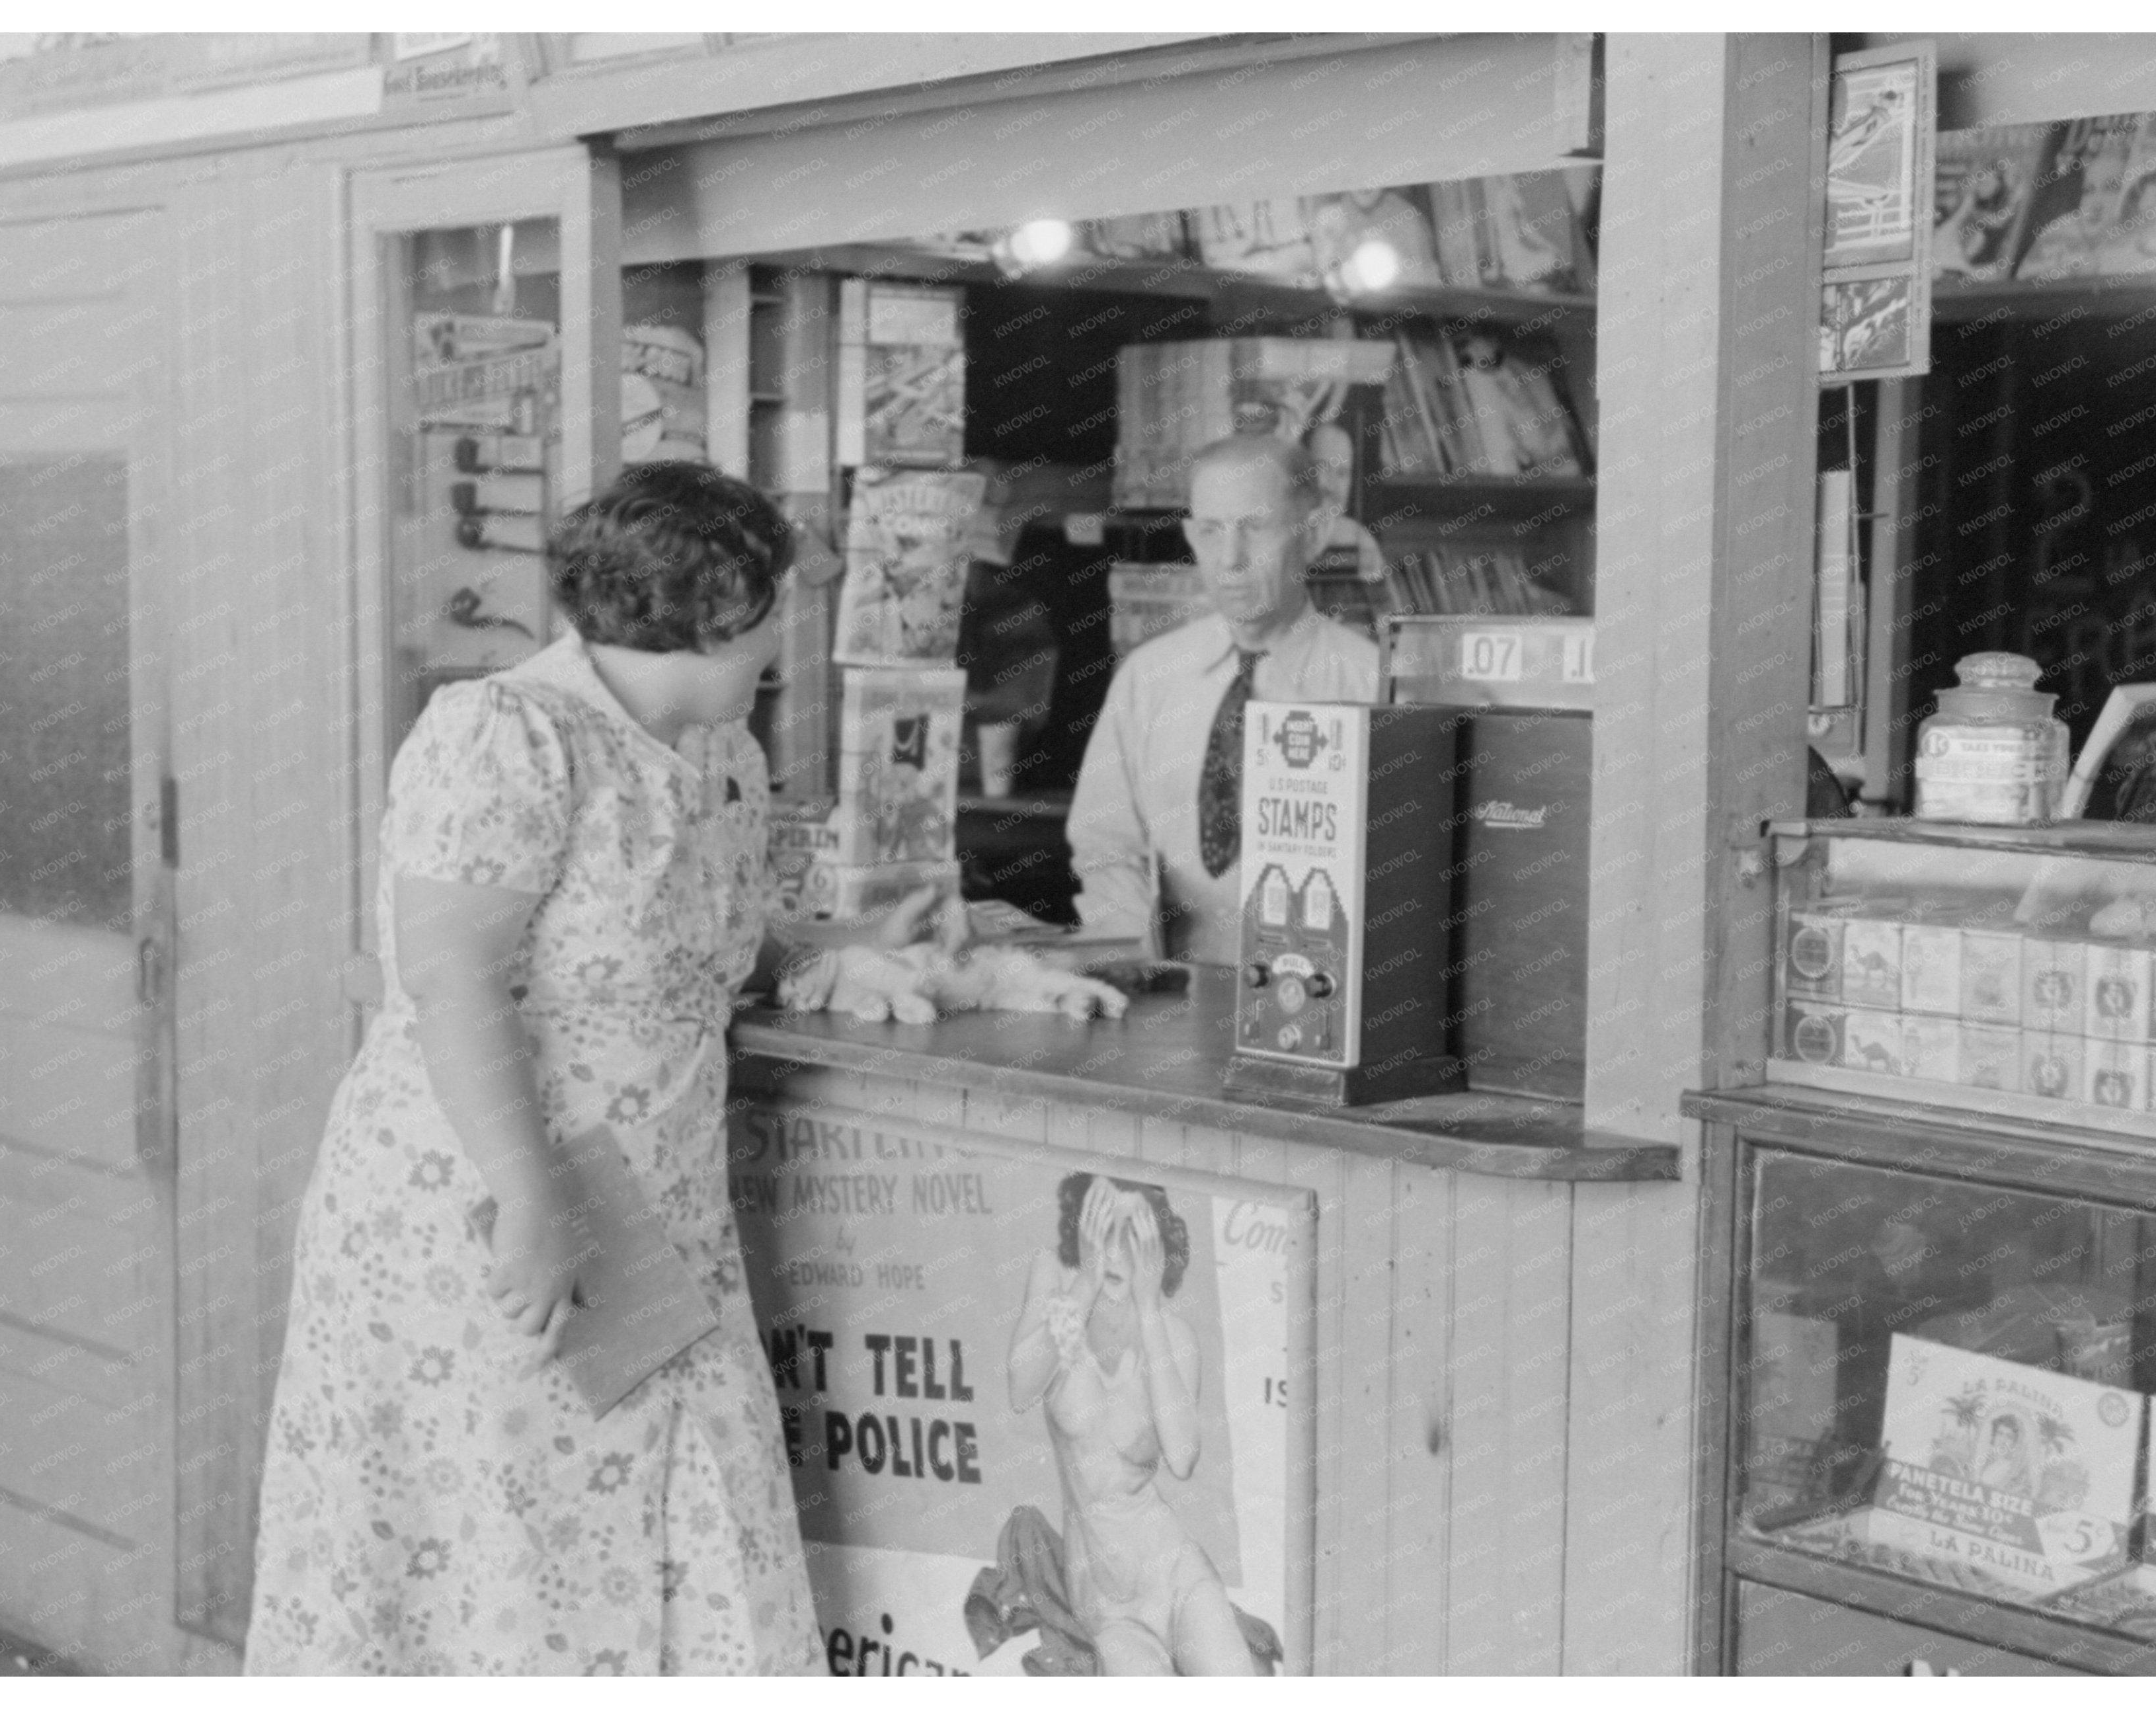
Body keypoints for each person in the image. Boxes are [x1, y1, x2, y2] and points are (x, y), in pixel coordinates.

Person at [242, 463, 986, 1675]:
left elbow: (684, 943)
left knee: (673, 1532)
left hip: (655, 1218)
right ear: (718, 613)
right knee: (505, 1553)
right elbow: (450, 978)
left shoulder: (717, 751)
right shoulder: (507, 737)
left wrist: (841, 953)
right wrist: (530, 1201)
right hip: (490, 1214)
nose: (781, 635)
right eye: (773, 609)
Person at [1066, 433, 1383, 961]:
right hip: (1169, 997)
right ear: (1190, 534)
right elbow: (1106, 844)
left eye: (1254, 528)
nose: (1229, 559)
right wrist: (1134, 958)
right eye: (1210, 531)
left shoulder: (1371, 686)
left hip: (1319, 997)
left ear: (1313, 532)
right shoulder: (1149, 677)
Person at [984, 1175, 1271, 1675]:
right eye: (1103, 1229)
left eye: (1133, 1235)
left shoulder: (1173, 1334)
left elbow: (1182, 1456)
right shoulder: (1059, 1296)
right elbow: (1020, 1387)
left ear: (1157, 1245)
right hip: (1108, 1601)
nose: (1116, 1252)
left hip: (1176, 1570)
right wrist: (1089, 1279)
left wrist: (1147, 1307)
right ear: (1082, 1226)